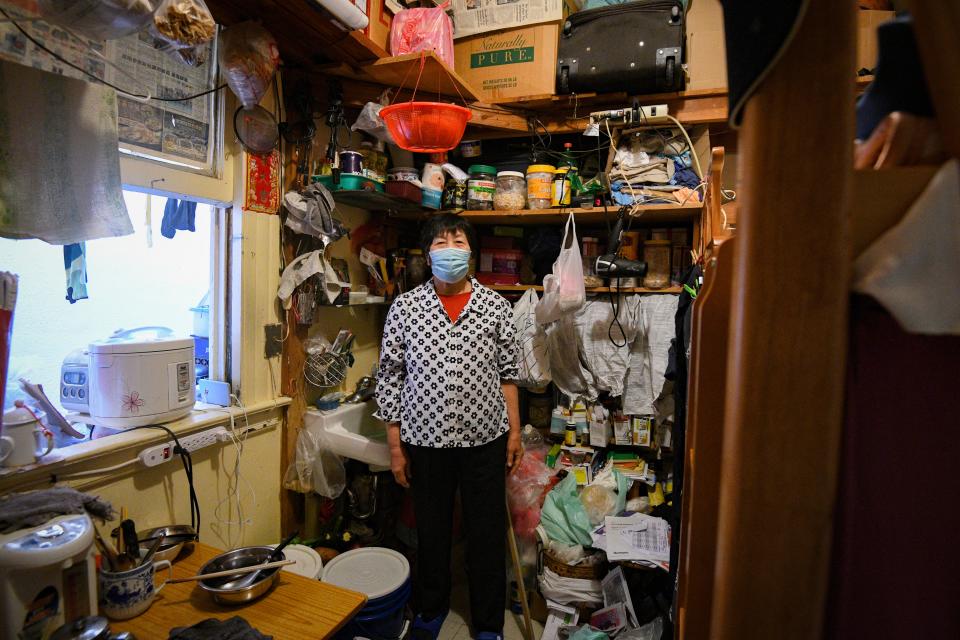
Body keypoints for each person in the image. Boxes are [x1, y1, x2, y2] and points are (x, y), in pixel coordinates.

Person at [376, 213, 522, 640]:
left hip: (485, 439)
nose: (450, 249)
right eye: (440, 243)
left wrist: (514, 433)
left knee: (486, 533)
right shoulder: (405, 307)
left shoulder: (495, 306)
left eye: (458, 241)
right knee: (432, 531)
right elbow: (390, 376)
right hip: (424, 440)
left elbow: (508, 375)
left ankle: (489, 623)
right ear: (428, 255)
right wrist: (395, 446)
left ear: (471, 253)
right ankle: (432, 607)